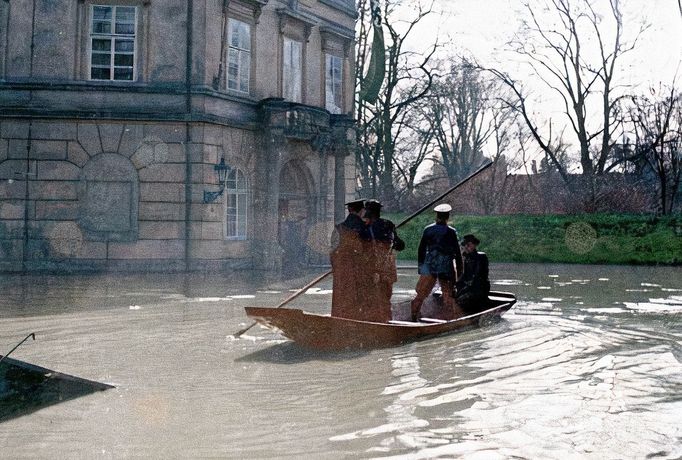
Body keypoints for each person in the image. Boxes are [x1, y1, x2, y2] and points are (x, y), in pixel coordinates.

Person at [410, 204, 463, 321]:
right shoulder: (451, 232)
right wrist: (460, 273)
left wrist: (421, 269)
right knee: (448, 294)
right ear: (447, 217)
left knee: (421, 294)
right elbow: (458, 254)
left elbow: (421, 250)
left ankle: (414, 316)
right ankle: (448, 320)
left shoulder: (428, 230)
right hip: (446, 266)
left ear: (436, 216)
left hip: (429, 265)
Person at [361, 199, 404, 322]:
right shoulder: (388, 224)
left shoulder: (365, 228)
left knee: (371, 298)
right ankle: (386, 321)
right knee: (386, 298)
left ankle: (373, 322)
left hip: (371, 267)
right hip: (387, 267)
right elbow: (400, 245)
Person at [330, 199, 370, 319]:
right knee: (358, 297)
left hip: (341, 269)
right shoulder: (365, 228)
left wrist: (336, 268)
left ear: (349, 210)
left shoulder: (338, 228)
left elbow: (332, 252)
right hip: (359, 269)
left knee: (340, 296)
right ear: (362, 211)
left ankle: (338, 319)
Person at [455, 234, 491, 314]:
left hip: (480, 286)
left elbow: (477, 275)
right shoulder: (466, 257)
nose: (466, 247)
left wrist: (466, 286)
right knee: (453, 295)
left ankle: (469, 312)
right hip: (470, 286)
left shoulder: (481, 257)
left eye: (468, 245)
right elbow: (464, 275)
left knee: (460, 299)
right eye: (465, 245)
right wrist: (457, 284)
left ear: (474, 245)